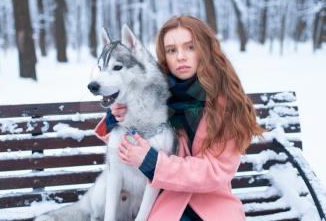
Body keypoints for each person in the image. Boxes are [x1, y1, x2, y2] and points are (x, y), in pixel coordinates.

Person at [95, 15, 264, 221]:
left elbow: (215, 171)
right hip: (167, 202)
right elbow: (126, 146)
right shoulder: (157, 93)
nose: (181, 56)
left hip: (212, 205)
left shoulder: (226, 104)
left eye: (190, 47)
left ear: (206, 49)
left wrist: (152, 163)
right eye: (171, 50)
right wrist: (116, 118)